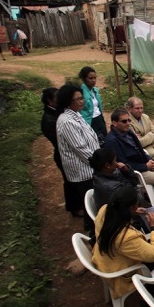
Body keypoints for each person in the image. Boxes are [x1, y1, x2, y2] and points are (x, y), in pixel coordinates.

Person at [92, 186, 154, 299]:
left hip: (107, 259)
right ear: (131, 207)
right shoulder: (126, 237)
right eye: (136, 204)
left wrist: (132, 213)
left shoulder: (105, 209)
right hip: (123, 273)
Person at [104, 108, 154, 206]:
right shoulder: (112, 141)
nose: (128, 123)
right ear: (114, 123)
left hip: (144, 164)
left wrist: (149, 160)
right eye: (124, 121)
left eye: (129, 120)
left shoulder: (128, 132)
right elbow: (123, 164)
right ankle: (146, 195)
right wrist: (145, 167)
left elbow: (140, 150)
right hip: (135, 172)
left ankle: (150, 194)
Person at [56, 83, 100, 231]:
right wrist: (99, 162)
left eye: (82, 98)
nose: (82, 101)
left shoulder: (76, 114)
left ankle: (93, 226)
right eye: (78, 99)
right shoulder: (67, 121)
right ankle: (92, 230)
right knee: (91, 202)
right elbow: (80, 148)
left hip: (89, 165)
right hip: (83, 170)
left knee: (92, 201)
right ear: (68, 101)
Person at [40, 87, 73, 215]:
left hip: (65, 153)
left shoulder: (56, 113)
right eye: (57, 98)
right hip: (63, 154)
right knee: (70, 182)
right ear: (49, 100)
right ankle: (74, 207)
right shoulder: (49, 120)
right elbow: (60, 140)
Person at [77, 66, 107, 145]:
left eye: (95, 78)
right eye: (90, 78)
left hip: (99, 119)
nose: (93, 80)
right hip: (89, 121)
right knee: (94, 143)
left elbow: (97, 106)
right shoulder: (80, 92)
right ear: (84, 79)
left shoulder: (95, 90)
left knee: (104, 141)